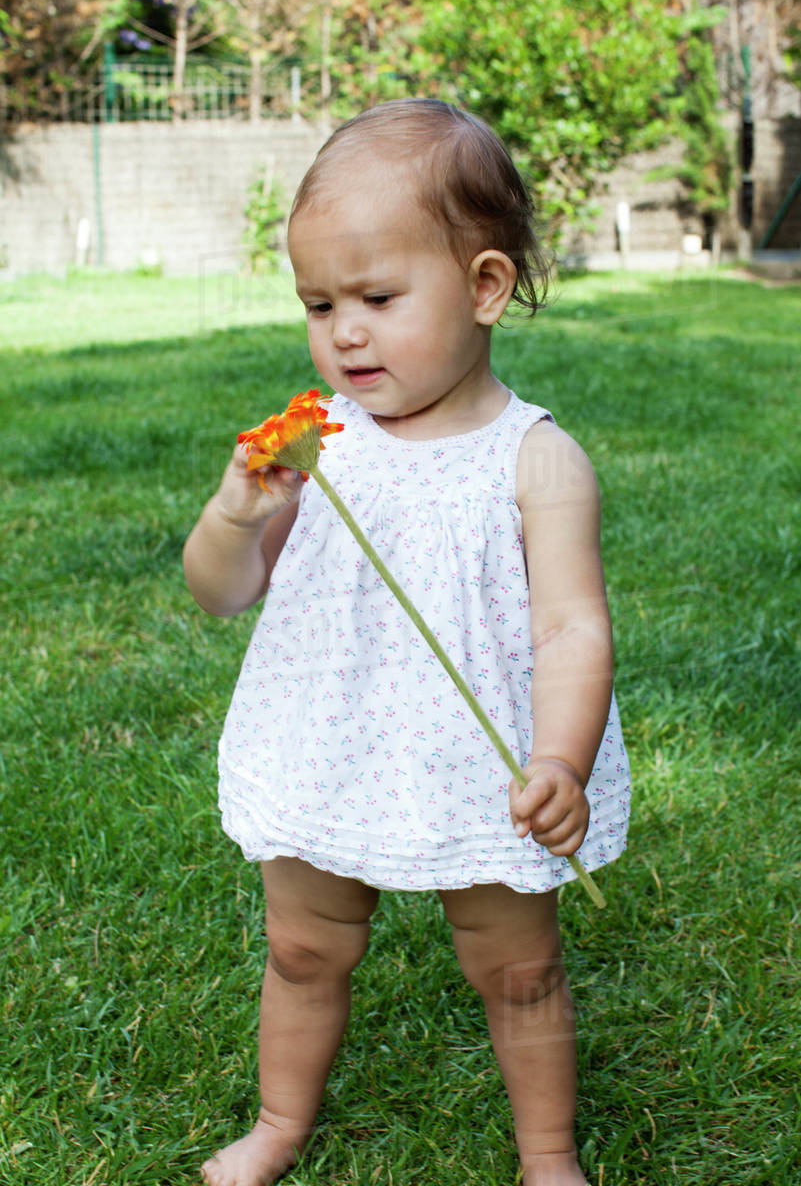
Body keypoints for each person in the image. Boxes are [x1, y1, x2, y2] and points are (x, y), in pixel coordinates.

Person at [183, 98, 630, 1186]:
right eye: (319, 302)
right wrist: (239, 512)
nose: (343, 330)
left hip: (486, 768)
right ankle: (281, 1121)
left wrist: (560, 758)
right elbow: (219, 593)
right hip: (329, 742)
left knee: (518, 967)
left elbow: (572, 625)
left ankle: (547, 1155)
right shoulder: (318, 440)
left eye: (378, 298)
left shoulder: (536, 459)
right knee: (303, 948)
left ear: (482, 287)